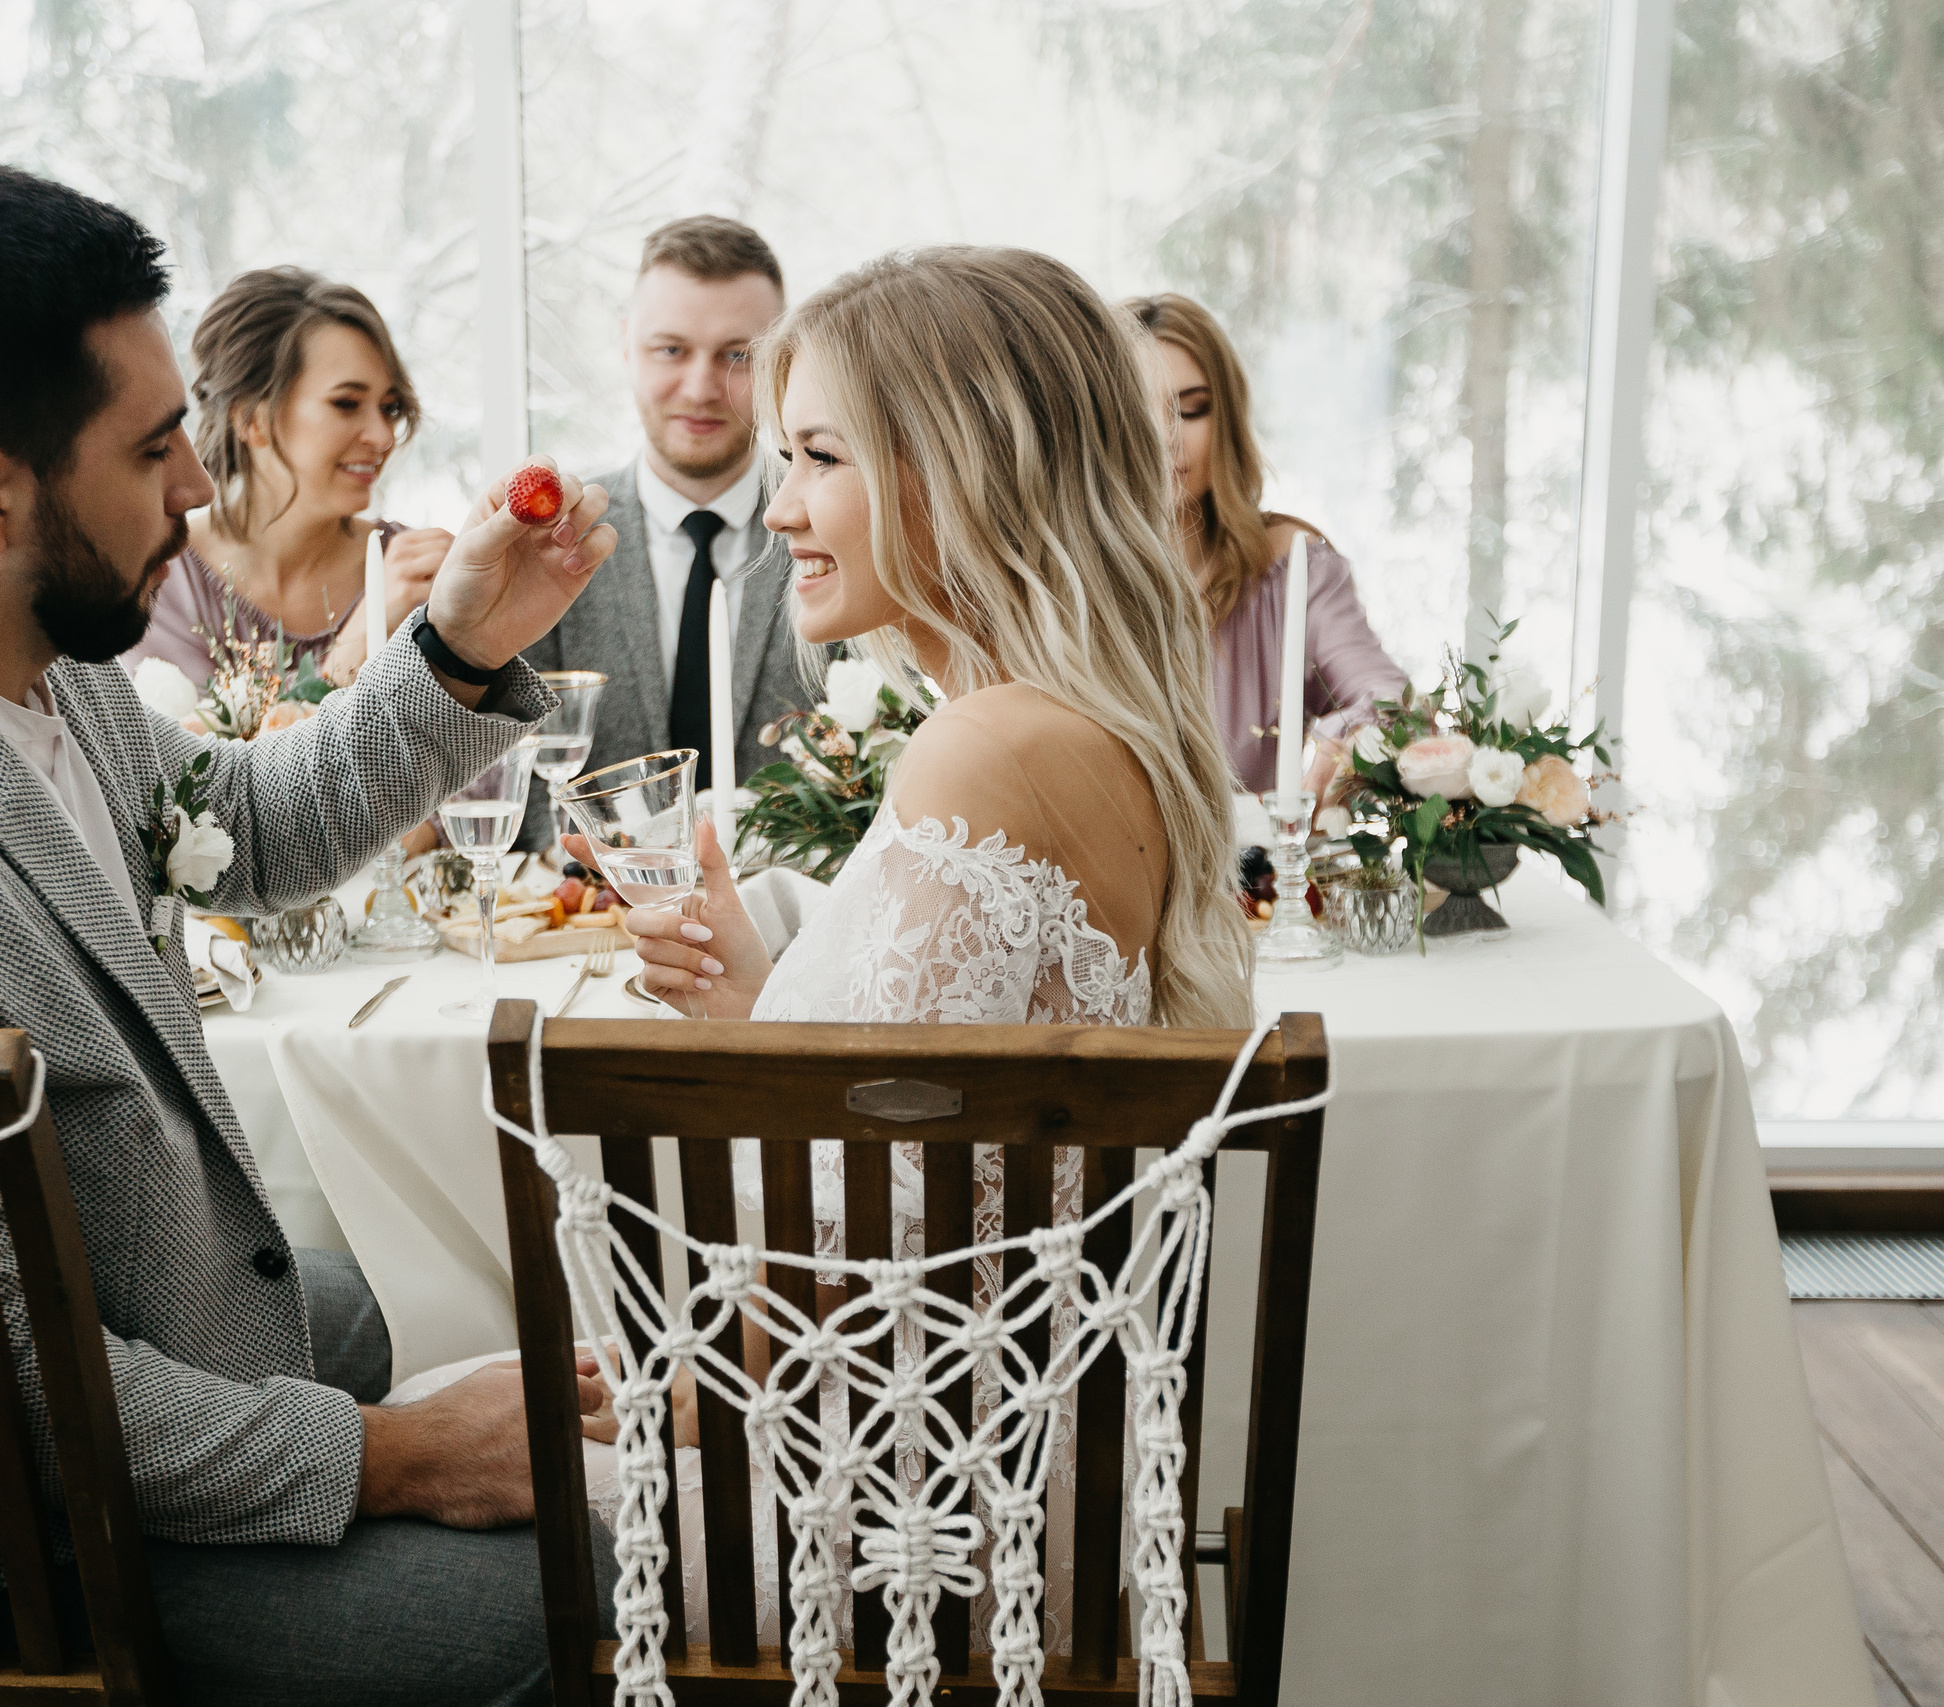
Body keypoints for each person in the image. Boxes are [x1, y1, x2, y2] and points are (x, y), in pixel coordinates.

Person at [0, 163, 622, 1704]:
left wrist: (460, 645)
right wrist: (396, 1453)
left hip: (157, 1323)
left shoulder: (18, 630)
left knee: (467, 1304)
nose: (203, 488)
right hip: (21, 1547)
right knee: (600, 1586)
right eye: (154, 448)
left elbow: (247, 825)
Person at [591, 247, 1255, 1653]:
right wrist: (750, 1004)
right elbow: (937, 1153)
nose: (777, 509)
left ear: (963, 471)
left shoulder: (988, 747)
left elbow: (860, 1267)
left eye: (818, 456)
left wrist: (646, 1402)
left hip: (886, 1524)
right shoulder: (1065, 724)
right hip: (995, 1465)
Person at [520, 215, 818, 846]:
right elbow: (507, 789)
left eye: (738, 356)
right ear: (626, 347)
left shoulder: (835, 530)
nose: (701, 387)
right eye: (671, 350)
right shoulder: (550, 540)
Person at [1126, 292, 1408, 799]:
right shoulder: (1058, 577)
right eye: (1136, 412)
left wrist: (1346, 743)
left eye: (1191, 411)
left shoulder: (1293, 568)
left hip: (1248, 877)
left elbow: (1388, 703)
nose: (1166, 438)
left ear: (1228, 420)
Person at [117, 266, 451, 689]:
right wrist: (362, 639)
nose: (383, 436)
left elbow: (485, 753)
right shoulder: (164, 580)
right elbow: (194, 756)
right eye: (347, 403)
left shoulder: (418, 575)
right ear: (251, 417)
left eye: (389, 407)